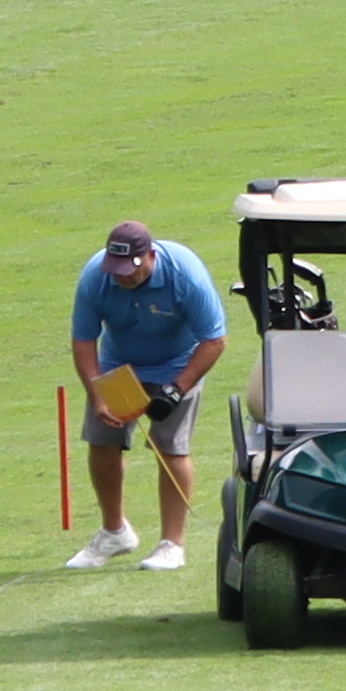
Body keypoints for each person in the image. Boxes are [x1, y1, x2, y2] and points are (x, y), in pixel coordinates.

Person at [63, 215, 230, 569]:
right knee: (102, 440)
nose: (122, 276)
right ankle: (115, 532)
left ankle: (172, 544)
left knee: (170, 446)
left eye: (130, 269)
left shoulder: (185, 276)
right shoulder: (97, 278)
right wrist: (97, 393)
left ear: (150, 256)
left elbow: (214, 340)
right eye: (117, 268)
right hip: (120, 365)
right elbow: (83, 340)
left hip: (179, 363)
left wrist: (176, 390)